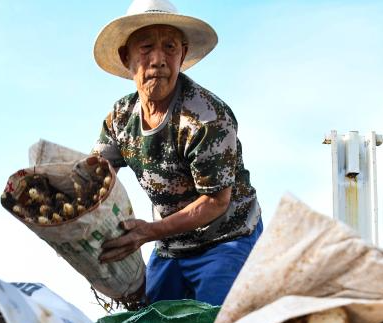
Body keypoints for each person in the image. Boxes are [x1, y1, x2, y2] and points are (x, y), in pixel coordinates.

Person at [92, 0, 262, 307]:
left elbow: (215, 202)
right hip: (171, 243)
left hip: (225, 238)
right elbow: (95, 176)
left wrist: (149, 232)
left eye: (169, 47)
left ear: (182, 54)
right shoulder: (120, 117)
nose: (158, 60)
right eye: (145, 48)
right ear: (125, 57)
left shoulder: (206, 117)